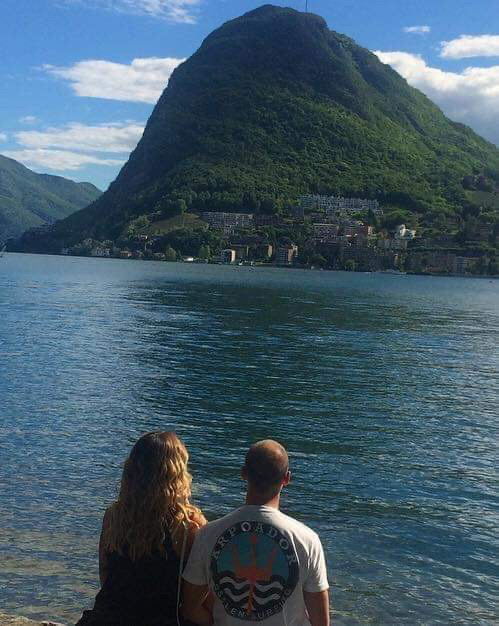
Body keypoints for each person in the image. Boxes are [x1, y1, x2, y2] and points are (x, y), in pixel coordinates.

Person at [182, 440, 329, 625]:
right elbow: (321, 622)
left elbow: (190, 608)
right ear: (287, 478)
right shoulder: (307, 540)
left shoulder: (207, 534)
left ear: (244, 473)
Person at [77, 431, 206, 626]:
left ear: (132, 471)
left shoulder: (113, 516)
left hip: (105, 619)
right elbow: (194, 599)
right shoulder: (189, 525)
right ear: (178, 474)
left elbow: (105, 575)